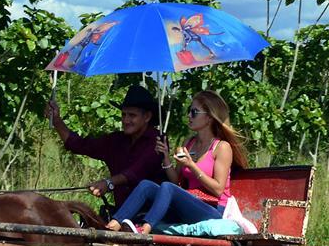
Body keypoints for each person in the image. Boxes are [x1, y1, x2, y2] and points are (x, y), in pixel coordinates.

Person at [105, 90, 248, 233]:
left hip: (212, 209)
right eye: (189, 111)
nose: (189, 116)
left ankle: (145, 228)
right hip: (189, 203)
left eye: (194, 112)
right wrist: (166, 157)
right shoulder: (189, 143)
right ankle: (114, 223)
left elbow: (218, 190)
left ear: (209, 117)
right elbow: (177, 183)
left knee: (166, 187)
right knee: (146, 185)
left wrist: (192, 166)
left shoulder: (222, 147)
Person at [45, 85, 167, 209]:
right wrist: (56, 121)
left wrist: (109, 183)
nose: (126, 120)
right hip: (119, 214)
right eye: (123, 115)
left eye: (132, 115)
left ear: (147, 117)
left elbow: (136, 171)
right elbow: (79, 145)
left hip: (151, 217)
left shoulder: (158, 141)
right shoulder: (116, 140)